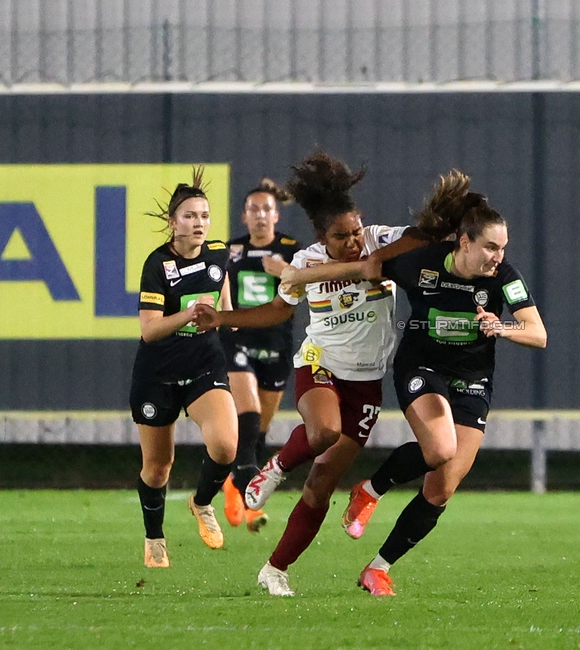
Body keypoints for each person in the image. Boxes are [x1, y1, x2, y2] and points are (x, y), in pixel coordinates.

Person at [275, 171, 547, 597]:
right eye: (490, 247)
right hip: (422, 367)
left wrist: (504, 327)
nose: (498, 256)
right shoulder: (421, 262)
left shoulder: (503, 277)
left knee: (442, 488)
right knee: (440, 449)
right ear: (464, 242)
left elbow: (538, 334)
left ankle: (377, 568)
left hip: (474, 380)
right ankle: (372, 489)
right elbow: (366, 268)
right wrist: (292, 274)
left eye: (503, 248)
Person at [193, 149, 429, 596]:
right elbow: (279, 311)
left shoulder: (377, 240)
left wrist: (395, 246)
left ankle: (275, 568)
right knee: (322, 433)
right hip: (320, 366)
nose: (355, 240)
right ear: (322, 236)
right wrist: (222, 319)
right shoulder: (305, 263)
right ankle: (275, 467)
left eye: (357, 230)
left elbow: (421, 236)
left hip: (367, 383)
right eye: (342, 236)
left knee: (322, 482)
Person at [130, 167, 238, 568]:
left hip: (204, 365)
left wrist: (227, 317)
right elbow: (149, 331)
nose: (199, 223)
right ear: (172, 223)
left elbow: (224, 300)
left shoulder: (218, 253)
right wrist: (191, 313)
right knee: (158, 469)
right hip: (157, 374)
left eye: (205, 216)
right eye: (190, 216)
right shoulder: (158, 265)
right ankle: (154, 537)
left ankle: (202, 502)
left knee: (226, 445)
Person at [219, 179, 301, 534]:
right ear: (244, 216)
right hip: (237, 341)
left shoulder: (292, 249)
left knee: (258, 432)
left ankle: (233, 485)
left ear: (276, 215)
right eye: (253, 209)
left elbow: (314, 284)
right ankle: (248, 491)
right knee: (247, 413)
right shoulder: (230, 251)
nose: (260, 216)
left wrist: (285, 272)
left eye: (266, 209)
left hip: (277, 345)